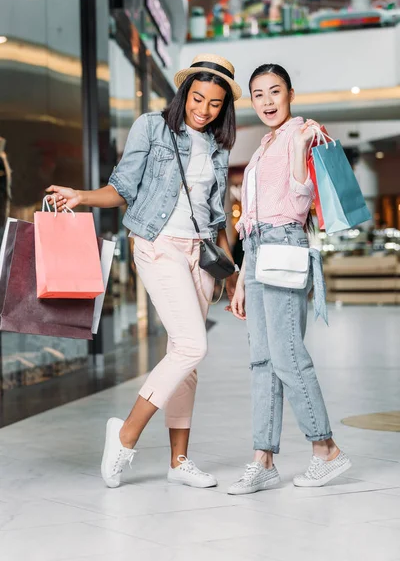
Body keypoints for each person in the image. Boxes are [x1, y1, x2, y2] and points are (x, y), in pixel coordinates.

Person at [47, 54, 241, 489]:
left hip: (200, 253)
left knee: (184, 355)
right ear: (184, 91)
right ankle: (126, 433)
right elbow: (122, 188)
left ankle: (179, 461)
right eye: (197, 98)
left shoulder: (218, 145)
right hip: (156, 245)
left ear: (224, 106)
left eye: (214, 103)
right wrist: (81, 196)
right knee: (193, 345)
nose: (203, 109)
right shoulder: (151, 127)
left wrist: (235, 274)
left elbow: (216, 216)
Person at [228, 63, 351, 494]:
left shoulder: (302, 134)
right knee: (262, 360)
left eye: (274, 91)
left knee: (287, 356)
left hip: (284, 245)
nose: (266, 101)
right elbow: (250, 222)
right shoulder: (263, 146)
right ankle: (263, 459)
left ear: (290, 93)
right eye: (257, 94)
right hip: (258, 252)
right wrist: (243, 278)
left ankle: (327, 449)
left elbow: (301, 198)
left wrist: (300, 147)